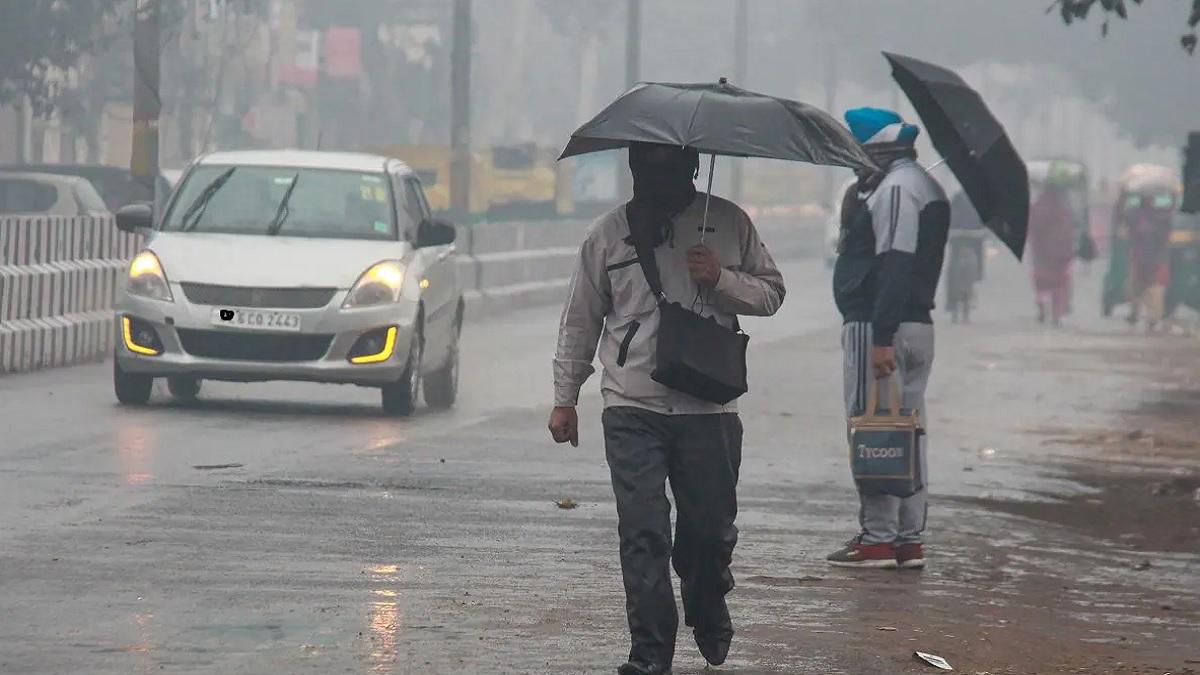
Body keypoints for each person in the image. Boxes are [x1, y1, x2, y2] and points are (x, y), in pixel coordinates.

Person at [549, 142, 785, 675]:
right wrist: (566, 397)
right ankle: (649, 653)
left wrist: (720, 279)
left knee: (706, 533)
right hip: (632, 405)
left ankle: (707, 605)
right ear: (632, 168)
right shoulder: (608, 234)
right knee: (643, 530)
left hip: (710, 409)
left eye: (670, 166)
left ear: (692, 168)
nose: (657, 177)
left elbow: (771, 294)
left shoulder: (727, 222)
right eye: (645, 166)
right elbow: (579, 319)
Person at [827, 108, 949, 569]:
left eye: (853, 148)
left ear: (873, 147)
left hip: (882, 328)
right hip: (912, 326)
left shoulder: (897, 189)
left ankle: (878, 537)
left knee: (873, 427)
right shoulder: (915, 184)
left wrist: (880, 336)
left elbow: (896, 263)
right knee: (907, 431)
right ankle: (907, 537)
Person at [1028, 173, 1077, 326]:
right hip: (1061, 253)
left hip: (1041, 251)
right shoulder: (1063, 208)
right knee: (1060, 283)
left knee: (1042, 281)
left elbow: (1032, 228)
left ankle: (1042, 304)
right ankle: (1058, 313)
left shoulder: (1038, 206)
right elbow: (1069, 229)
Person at [944, 191, 987, 323]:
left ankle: (955, 300)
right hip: (963, 239)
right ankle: (952, 301)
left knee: (958, 269)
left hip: (969, 239)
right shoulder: (960, 199)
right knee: (953, 270)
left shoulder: (959, 198)